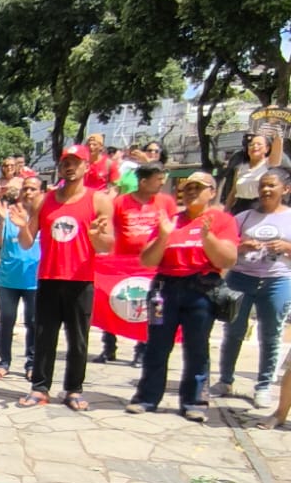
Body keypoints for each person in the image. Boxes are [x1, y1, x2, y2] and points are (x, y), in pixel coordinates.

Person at [127, 172, 239, 422]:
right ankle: (146, 398)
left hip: (201, 291)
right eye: (187, 188)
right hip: (164, 291)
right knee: (156, 345)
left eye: (198, 188)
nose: (191, 193)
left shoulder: (222, 221)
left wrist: (208, 238)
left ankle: (194, 402)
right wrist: (164, 236)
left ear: (212, 192)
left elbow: (228, 259)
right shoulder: (171, 221)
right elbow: (147, 260)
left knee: (197, 348)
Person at [13, 145, 114, 412]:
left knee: (78, 340)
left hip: (81, 280)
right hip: (49, 278)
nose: (69, 167)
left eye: (75, 162)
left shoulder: (98, 200)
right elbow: (26, 242)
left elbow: (107, 245)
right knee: (44, 337)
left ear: (86, 166)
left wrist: (96, 236)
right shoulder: (44, 200)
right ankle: (39, 387)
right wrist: (22, 225)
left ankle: (73, 389)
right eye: (65, 162)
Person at [214, 170, 291, 410]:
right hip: (241, 279)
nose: (265, 190)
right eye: (262, 186)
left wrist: (287, 247)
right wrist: (241, 246)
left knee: (270, 335)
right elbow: (225, 247)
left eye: (271, 186)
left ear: (285, 189)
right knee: (233, 331)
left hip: (277, 281)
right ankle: (225, 380)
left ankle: (263, 386)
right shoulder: (243, 217)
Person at [98, 161, 178, 366]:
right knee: (113, 302)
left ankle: (143, 349)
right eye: (157, 179)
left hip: (154, 265)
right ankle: (109, 346)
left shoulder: (166, 202)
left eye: (163, 179)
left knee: (150, 309)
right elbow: (109, 229)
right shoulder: (120, 202)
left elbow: (173, 230)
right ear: (143, 182)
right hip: (122, 265)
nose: (162, 183)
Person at [0, 178, 41, 381]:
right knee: (7, 321)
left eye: (33, 189)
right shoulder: (8, 216)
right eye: (25, 188)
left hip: (34, 281)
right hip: (8, 281)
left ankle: (32, 364)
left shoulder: (42, 218)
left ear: (40, 192)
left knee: (33, 323)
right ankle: (4, 363)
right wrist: (1, 220)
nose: (28, 192)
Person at [220, 127, 287, 213]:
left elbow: (277, 152)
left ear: (267, 149)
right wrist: (226, 210)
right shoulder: (241, 167)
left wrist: (277, 133)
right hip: (239, 207)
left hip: (259, 206)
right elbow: (233, 192)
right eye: (251, 145)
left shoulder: (269, 165)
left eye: (259, 144)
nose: (255, 146)